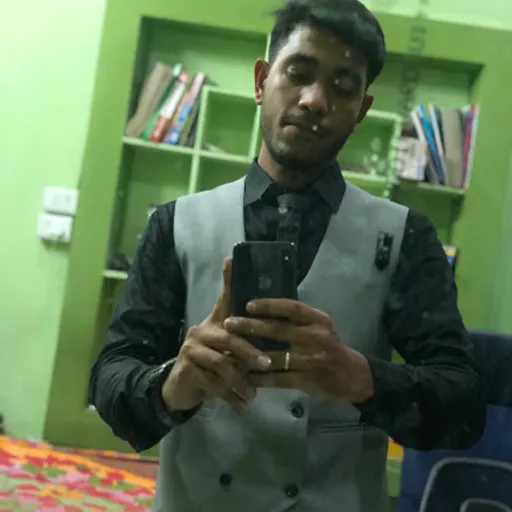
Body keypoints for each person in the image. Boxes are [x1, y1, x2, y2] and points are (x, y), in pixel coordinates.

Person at [89, 0, 486, 510]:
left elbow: (463, 405)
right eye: (298, 73)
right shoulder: (175, 225)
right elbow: (111, 377)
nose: (315, 99)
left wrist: (362, 377)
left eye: (343, 86)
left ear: (362, 110)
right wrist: (171, 384)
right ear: (262, 81)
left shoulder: (406, 237)